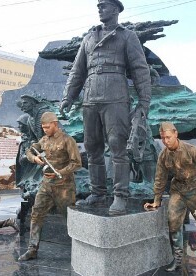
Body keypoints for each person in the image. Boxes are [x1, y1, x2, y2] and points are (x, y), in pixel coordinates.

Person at [60, 0, 151, 214]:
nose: (99, 8)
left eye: (104, 5)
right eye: (98, 6)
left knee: (118, 146)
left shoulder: (127, 36)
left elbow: (140, 69)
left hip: (116, 95)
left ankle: (120, 195)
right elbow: (77, 70)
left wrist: (144, 102)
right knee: (92, 148)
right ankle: (98, 193)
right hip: (91, 97)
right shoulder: (89, 37)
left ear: (116, 10)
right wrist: (68, 97)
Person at [144, 122, 196, 271]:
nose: (166, 141)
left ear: (175, 134)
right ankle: (178, 259)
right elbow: (160, 178)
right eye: (162, 138)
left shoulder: (191, 150)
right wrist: (156, 200)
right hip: (178, 190)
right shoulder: (163, 156)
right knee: (173, 222)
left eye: (168, 137)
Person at [18, 112, 81, 261]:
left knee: (70, 218)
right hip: (46, 185)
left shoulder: (68, 140)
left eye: (47, 127)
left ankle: (80, 249)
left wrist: (60, 172)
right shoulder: (43, 140)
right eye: (43, 127)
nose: (45, 130)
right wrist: (35, 158)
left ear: (55, 124)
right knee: (36, 213)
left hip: (64, 187)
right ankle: (32, 249)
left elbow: (77, 163)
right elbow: (30, 150)